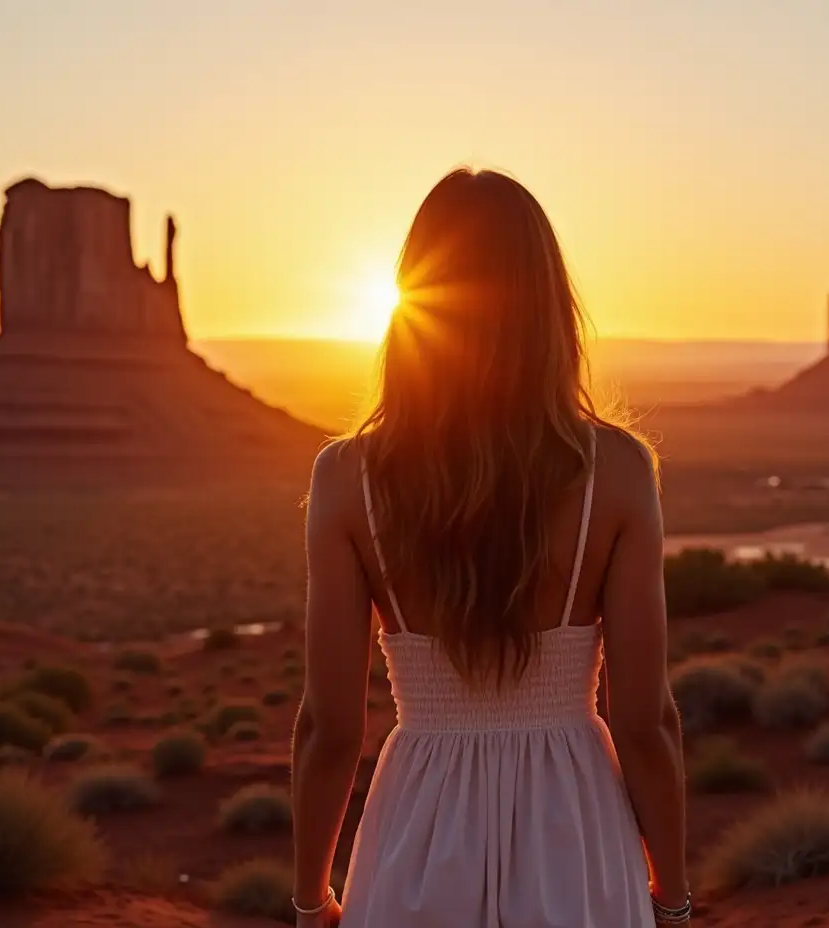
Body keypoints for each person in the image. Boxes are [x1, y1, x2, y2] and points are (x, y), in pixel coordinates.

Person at [291, 167, 689, 927]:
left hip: (418, 827)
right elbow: (647, 723)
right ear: (548, 306)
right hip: (574, 832)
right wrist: (671, 897)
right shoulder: (619, 472)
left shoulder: (347, 479)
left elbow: (329, 729)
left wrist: (311, 901)